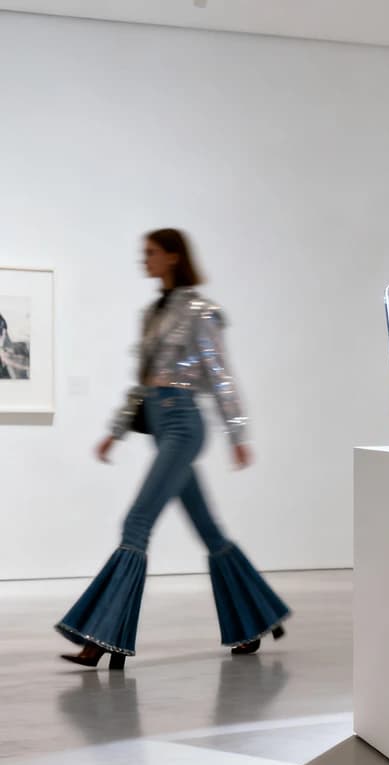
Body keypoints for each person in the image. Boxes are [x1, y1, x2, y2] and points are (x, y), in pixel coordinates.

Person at [56, 229, 289, 668]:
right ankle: (258, 618)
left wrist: (237, 434)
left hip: (184, 424)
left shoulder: (202, 311)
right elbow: (142, 384)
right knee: (209, 531)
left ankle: (102, 638)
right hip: (163, 425)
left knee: (136, 522)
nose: (143, 260)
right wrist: (116, 431)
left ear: (172, 257)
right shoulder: (151, 314)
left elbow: (220, 376)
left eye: (150, 253)